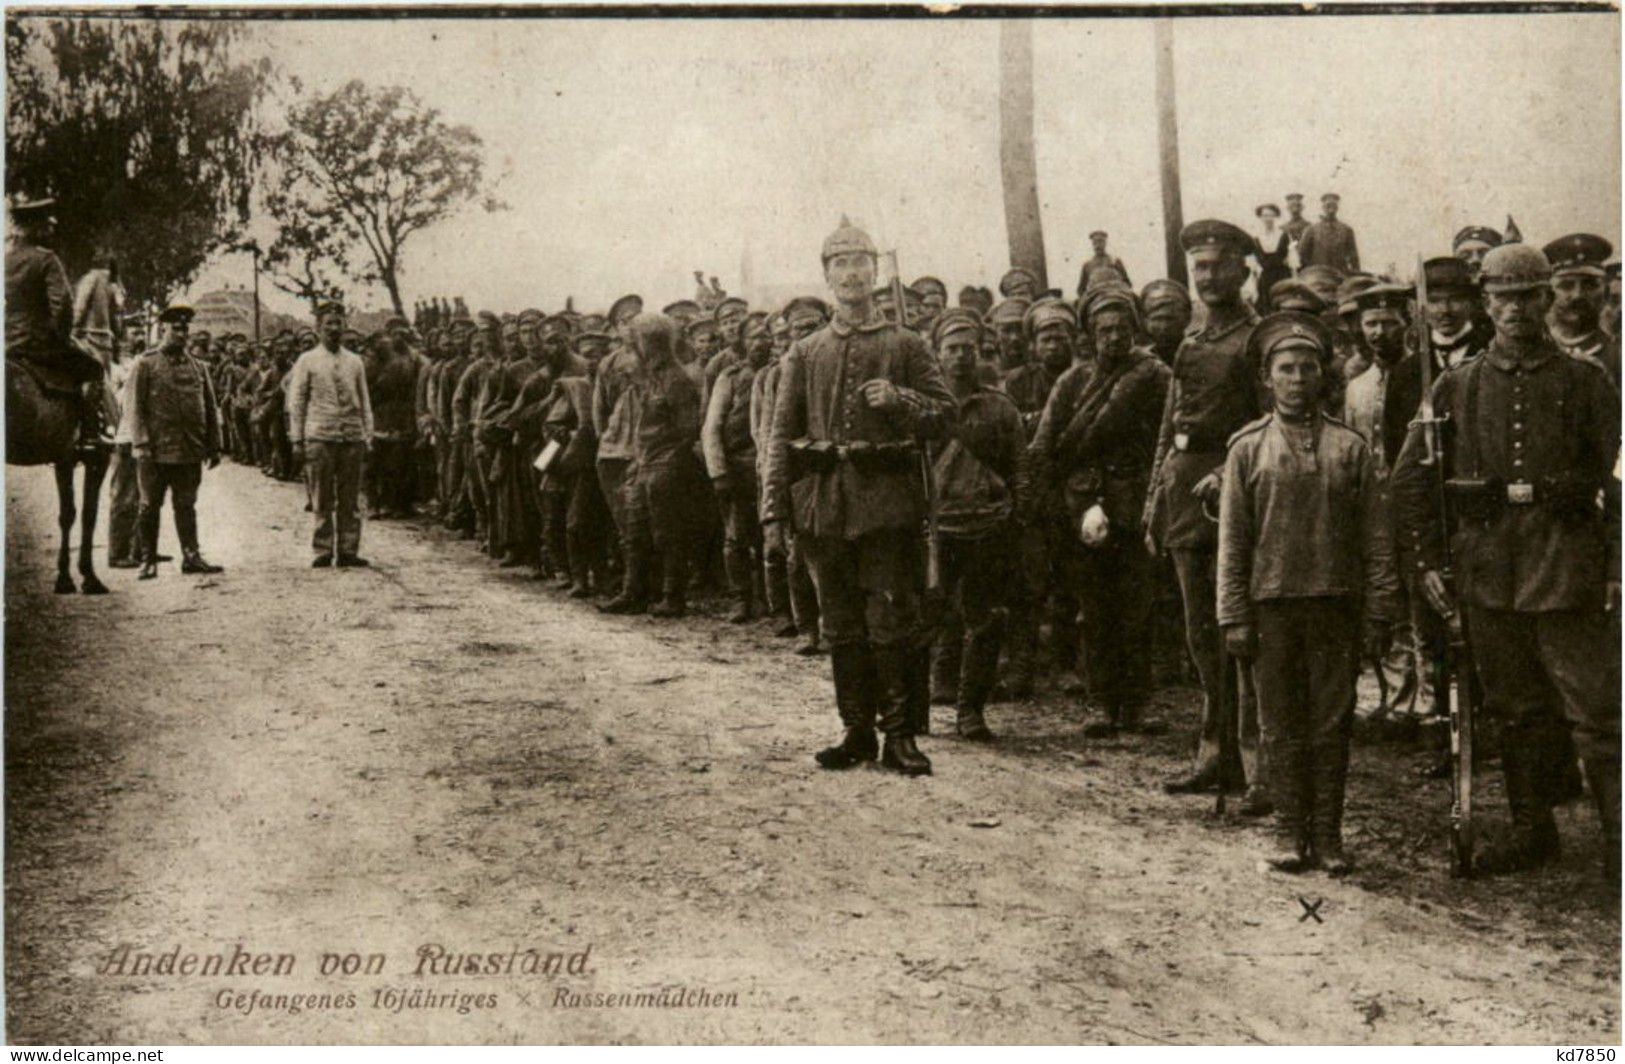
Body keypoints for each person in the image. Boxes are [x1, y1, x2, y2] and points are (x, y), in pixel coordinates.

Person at [1390, 242, 1621, 883]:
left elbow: (1620, 478)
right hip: (1488, 573)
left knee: (1599, 714)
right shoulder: (1454, 386)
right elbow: (1412, 482)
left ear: (1546, 300)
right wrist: (1430, 564)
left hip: (1568, 568)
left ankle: (1618, 842)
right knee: (1516, 710)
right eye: (1502, 298)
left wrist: (1616, 565)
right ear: (1485, 305)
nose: (1515, 309)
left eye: (1527, 296)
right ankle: (1532, 830)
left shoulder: (1588, 382)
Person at [762, 217, 954, 776]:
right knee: (840, 624)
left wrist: (899, 400)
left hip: (887, 504)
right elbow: (780, 437)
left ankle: (899, 736)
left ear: (875, 272)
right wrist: (774, 510)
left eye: (859, 263)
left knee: (890, 619)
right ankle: (856, 732)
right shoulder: (804, 352)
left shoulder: (907, 344)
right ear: (826, 276)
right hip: (822, 506)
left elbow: (945, 416)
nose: (850, 274)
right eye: (839, 264)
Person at [1218, 310, 1400, 874]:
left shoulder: (1351, 449)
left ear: (1324, 376)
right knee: (1281, 722)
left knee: (1331, 722)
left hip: (1335, 606)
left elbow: (1376, 538)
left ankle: (1328, 835)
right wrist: (1234, 616)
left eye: (1308, 368)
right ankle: (1289, 832)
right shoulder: (1246, 448)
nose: (1298, 379)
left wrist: (1380, 610)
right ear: (1268, 379)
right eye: (1286, 369)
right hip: (1272, 607)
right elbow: (1233, 541)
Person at [1144, 219, 1267, 811]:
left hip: (1235, 496)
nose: (1209, 276)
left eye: (1219, 265)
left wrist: (1232, 473)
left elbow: (1271, 424)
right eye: (1200, 268)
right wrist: (1154, 502)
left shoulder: (1257, 339)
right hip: (1185, 496)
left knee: (1238, 630)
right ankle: (1213, 751)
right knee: (1199, 633)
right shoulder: (1190, 342)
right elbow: (1171, 429)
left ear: (1243, 269)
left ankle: (1254, 763)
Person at [1032, 287, 1171, 737]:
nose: (1113, 337)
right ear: (1090, 334)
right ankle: (1101, 703)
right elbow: (1046, 446)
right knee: (1093, 607)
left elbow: (1168, 436)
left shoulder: (1154, 376)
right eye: (1104, 330)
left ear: (1136, 330)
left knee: (1137, 606)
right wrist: (1064, 505)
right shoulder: (1072, 383)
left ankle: (1138, 703)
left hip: (1137, 505)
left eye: (1122, 329)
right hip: (1084, 506)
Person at [927, 310, 1025, 740]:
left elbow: (1020, 465)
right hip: (936, 528)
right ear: (937, 354)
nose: (961, 358)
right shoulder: (923, 409)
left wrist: (1017, 513)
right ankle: (920, 707)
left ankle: (971, 711)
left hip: (988, 526)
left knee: (984, 620)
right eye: (952, 349)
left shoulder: (999, 408)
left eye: (969, 349)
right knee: (926, 617)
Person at [611, 313, 708, 618]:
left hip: (666, 467)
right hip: (646, 464)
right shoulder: (650, 379)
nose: (632, 352)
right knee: (635, 529)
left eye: (635, 345)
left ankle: (671, 596)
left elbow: (689, 428)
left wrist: (668, 465)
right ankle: (633, 593)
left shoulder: (676, 379)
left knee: (667, 533)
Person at [127, 304, 224, 579]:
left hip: (188, 450)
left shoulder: (198, 367)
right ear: (163, 330)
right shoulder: (145, 364)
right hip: (155, 451)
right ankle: (147, 559)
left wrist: (213, 446)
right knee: (149, 506)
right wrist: (141, 444)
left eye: (185, 329)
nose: (181, 334)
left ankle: (191, 556)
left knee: (186, 504)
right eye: (175, 329)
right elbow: (134, 407)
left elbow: (209, 407)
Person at [753, 296, 828, 652]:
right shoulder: (779, 373)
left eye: (813, 326)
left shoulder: (834, 360)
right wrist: (773, 490)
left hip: (833, 469)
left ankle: (834, 626)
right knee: (800, 556)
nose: (805, 334)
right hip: (799, 473)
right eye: (798, 328)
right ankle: (807, 628)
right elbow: (772, 432)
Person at [288, 302, 375, 569]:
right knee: (322, 497)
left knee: (350, 498)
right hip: (319, 436)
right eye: (329, 324)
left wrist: (367, 435)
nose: (334, 329)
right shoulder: (307, 361)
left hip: (351, 437)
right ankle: (323, 550)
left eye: (338, 323)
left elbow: (364, 400)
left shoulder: (355, 361)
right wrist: (297, 439)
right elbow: (297, 401)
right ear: (318, 328)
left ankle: (349, 549)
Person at [704, 312, 773, 623]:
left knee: (769, 537)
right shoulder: (730, 378)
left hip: (769, 467)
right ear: (743, 343)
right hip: (737, 468)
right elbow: (712, 428)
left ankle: (770, 599)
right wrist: (718, 472)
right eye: (754, 336)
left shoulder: (779, 372)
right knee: (736, 538)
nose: (762, 342)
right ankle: (741, 599)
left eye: (766, 335)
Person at [6, 194, 102, 388]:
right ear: (36, 228)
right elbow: (63, 306)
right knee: (94, 369)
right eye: (47, 225)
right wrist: (61, 339)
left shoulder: (5, 260)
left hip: (7, 344)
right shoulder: (46, 259)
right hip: (37, 347)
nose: (52, 228)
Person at [1543, 233, 1620, 386]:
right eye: (1566, 286)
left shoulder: (1617, 356)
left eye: (1589, 285)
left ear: (1605, 293)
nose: (1578, 295)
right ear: (1549, 294)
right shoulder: (1532, 352)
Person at [365, 316, 421, 519]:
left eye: (403, 333)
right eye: (394, 333)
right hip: (379, 413)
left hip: (403, 415)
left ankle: (395, 503)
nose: (399, 337)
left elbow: (418, 385)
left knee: (398, 462)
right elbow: (367, 388)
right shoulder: (375, 359)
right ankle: (373, 503)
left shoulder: (413, 358)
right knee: (373, 462)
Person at [1297, 193, 1361, 274]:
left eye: (1333, 205)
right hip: (1318, 276)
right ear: (1323, 207)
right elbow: (1302, 256)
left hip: (1340, 275)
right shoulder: (1311, 230)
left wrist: (1357, 275)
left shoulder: (1346, 230)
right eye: (1328, 205)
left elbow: (1354, 258)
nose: (1331, 208)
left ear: (1337, 207)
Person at [1141, 280, 1193, 367]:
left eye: (1170, 319)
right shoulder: (1139, 361)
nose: (1164, 326)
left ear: (1187, 318)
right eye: (1157, 319)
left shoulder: (1203, 357)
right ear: (1146, 321)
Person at [1251, 205, 1291, 311]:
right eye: (1265, 215)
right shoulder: (1256, 237)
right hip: (1265, 279)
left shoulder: (1283, 235)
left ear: (1275, 217)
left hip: (1282, 276)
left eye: (1270, 215)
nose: (1268, 219)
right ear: (1260, 217)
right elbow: (1255, 262)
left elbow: (1291, 259)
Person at [1076, 230, 1131, 296]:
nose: (1098, 246)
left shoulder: (1115, 261)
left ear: (1105, 243)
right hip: (1094, 295)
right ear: (1092, 245)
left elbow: (1127, 283)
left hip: (1116, 293)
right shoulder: (1087, 265)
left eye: (1100, 242)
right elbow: (1081, 289)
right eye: (1095, 243)